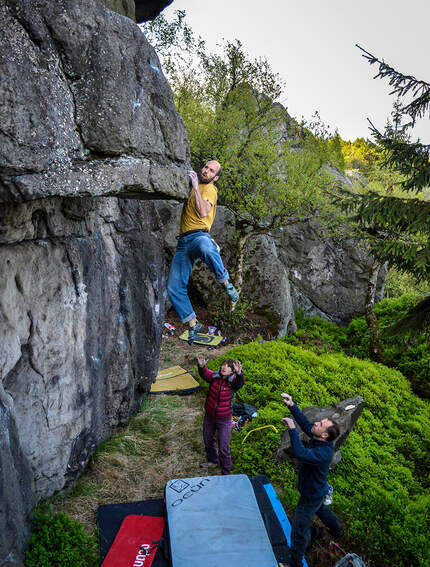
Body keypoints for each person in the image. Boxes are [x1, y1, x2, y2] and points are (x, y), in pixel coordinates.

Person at [167, 161, 239, 344]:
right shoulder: (194, 185)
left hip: (199, 236)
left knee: (206, 247)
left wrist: (196, 189)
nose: (206, 171)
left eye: (211, 170)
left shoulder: (209, 190)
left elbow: (202, 212)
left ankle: (226, 283)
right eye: (206, 167)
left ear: (216, 178)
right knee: (174, 287)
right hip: (183, 242)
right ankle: (193, 324)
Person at [281, 392, 343, 567]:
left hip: (310, 496)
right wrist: (292, 405)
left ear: (324, 435)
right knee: (322, 510)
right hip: (319, 489)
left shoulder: (324, 453)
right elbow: (306, 424)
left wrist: (292, 430)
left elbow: (300, 453)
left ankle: (295, 562)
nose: (316, 423)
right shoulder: (319, 437)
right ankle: (337, 530)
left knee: (299, 530)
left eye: (321, 424)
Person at [197, 354, 244, 475]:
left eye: (228, 367)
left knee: (223, 446)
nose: (224, 368)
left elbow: (239, 383)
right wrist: (202, 366)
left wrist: (239, 374)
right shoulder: (214, 376)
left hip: (224, 418)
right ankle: (213, 460)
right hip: (210, 416)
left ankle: (226, 472)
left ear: (232, 371)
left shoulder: (233, 382)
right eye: (223, 365)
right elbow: (205, 373)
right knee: (208, 439)